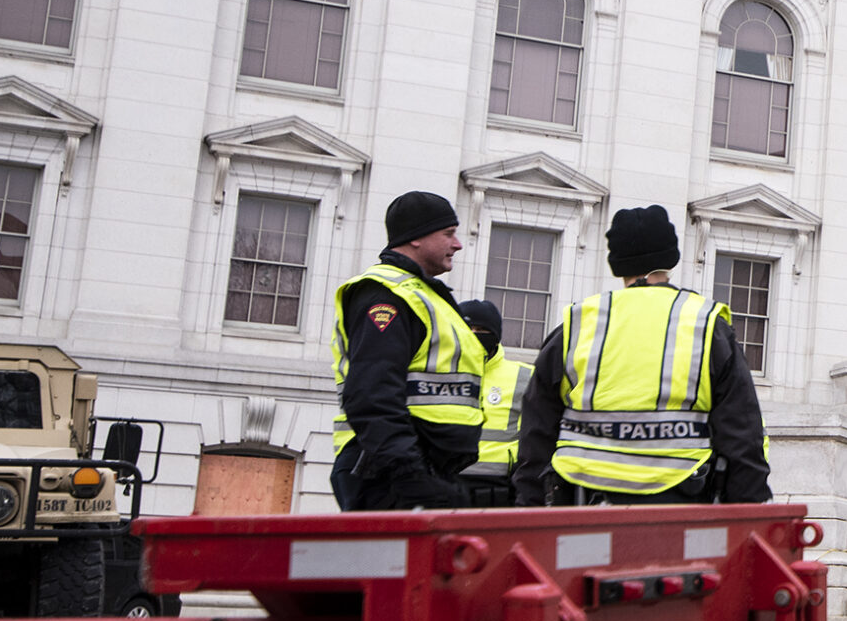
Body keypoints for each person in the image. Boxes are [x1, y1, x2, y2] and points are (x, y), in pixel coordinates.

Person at [513, 204, 771, 506]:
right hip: (679, 500)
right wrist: (749, 512)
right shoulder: (704, 324)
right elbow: (742, 434)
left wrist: (529, 505)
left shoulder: (579, 323)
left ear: (617, 263)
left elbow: (537, 427)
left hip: (582, 501)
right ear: (669, 259)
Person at [328, 191, 488, 512]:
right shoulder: (386, 294)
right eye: (447, 234)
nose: (457, 244)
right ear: (415, 238)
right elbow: (372, 395)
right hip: (389, 471)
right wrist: (411, 476)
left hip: (413, 467)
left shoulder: (420, 293)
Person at [458, 299, 528, 509]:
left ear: (495, 336)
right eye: (466, 328)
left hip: (500, 490)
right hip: (445, 483)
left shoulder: (525, 376)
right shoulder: (436, 372)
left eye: (480, 329)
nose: (473, 334)